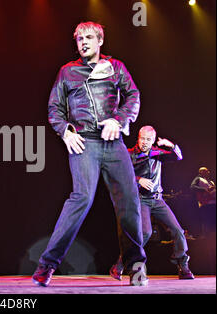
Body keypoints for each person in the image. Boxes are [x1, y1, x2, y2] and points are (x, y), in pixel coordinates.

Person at [32, 21, 147, 287]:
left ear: (100, 41)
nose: (83, 42)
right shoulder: (67, 72)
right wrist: (66, 131)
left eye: (88, 37)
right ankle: (47, 265)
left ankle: (136, 265)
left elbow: (133, 96)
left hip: (114, 142)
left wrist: (118, 120)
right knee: (81, 198)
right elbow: (54, 109)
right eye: (79, 39)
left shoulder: (116, 67)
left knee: (129, 201)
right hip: (84, 143)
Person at [109, 126, 194, 280]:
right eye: (142, 138)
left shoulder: (157, 153)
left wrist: (172, 145)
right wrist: (138, 180)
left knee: (178, 231)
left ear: (153, 140)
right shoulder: (129, 154)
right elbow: (118, 175)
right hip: (141, 200)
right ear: (138, 138)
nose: (145, 142)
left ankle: (183, 266)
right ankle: (121, 264)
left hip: (157, 200)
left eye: (148, 139)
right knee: (145, 233)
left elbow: (178, 156)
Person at [190, 167, 216, 236]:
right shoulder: (198, 179)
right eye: (206, 171)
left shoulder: (211, 181)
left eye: (208, 171)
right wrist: (204, 189)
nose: (208, 172)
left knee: (214, 221)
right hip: (205, 203)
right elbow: (192, 187)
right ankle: (206, 239)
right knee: (207, 221)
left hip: (214, 203)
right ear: (201, 172)